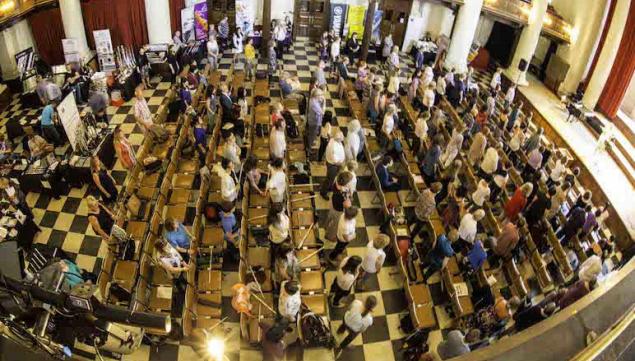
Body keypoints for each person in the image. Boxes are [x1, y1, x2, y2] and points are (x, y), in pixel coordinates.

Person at [320, 130, 345, 199]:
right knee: (329, 179)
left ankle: (330, 186)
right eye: (342, 138)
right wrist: (339, 162)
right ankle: (323, 192)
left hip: (334, 164)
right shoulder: (334, 147)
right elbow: (334, 159)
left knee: (332, 178)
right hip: (333, 164)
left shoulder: (333, 140)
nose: (343, 139)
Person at [307, 88, 325, 152]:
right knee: (312, 134)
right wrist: (324, 102)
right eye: (320, 95)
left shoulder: (312, 99)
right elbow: (322, 112)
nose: (321, 96)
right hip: (314, 122)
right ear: (316, 96)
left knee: (312, 133)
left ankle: (310, 143)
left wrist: (320, 100)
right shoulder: (314, 104)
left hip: (311, 119)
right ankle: (309, 147)